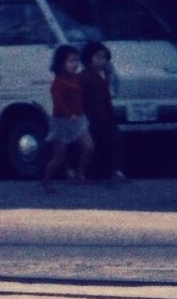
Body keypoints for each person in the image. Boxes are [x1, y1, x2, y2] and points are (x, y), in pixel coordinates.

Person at [41, 45, 94, 193]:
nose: (75, 64)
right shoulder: (58, 82)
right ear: (61, 63)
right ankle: (46, 181)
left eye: (76, 61)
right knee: (59, 157)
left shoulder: (76, 78)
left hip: (79, 119)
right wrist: (68, 113)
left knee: (89, 147)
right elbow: (58, 102)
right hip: (62, 122)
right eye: (71, 61)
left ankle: (80, 173)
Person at [82, 41, 126, 182]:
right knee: (92, 144)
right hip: (90, 116)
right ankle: (88, 172)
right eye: (98, 57)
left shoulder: (107, 75)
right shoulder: (83, 77)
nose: (102, 61)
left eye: (104, 58)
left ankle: (116, 170)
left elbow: (109, 94)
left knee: (116, 140)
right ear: (89, 58)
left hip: (106, 115)